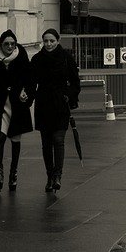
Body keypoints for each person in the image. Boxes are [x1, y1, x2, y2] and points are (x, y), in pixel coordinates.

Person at [0, 29, 34, 192]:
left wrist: (26, 93)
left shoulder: (22, 56)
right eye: (6, 44)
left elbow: (30, 79)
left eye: (12, 43)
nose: (10, 46)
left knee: (15, 139)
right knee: (0, 137)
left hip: (17, 105)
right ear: (1, 44)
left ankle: (13, 174)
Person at [31, 28, 80, 192]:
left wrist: (68, 95)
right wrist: (26, 94)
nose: (49, 44)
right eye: (46, 41)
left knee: (58, 140)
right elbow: (31, 82)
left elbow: (75, 83)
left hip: (60, 104)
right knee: (46, 144)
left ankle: (58, 175)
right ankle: (49, 176)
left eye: (52, 41)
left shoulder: (66, 58)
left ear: (58, 41)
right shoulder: (37, 59)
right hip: (43, 104)